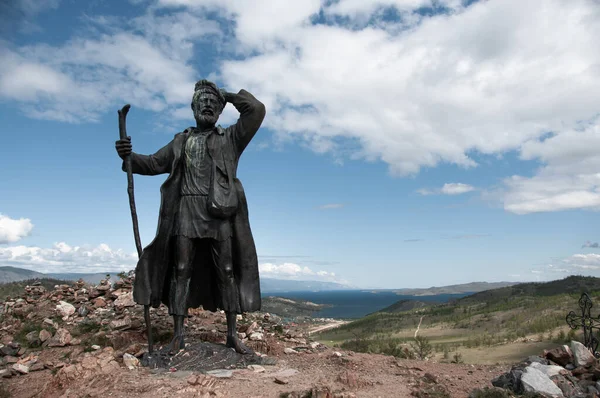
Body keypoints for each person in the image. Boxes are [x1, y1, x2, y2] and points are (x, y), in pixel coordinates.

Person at [115, 80, 266, 354]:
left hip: (219, 214)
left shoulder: (231, 138)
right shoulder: (180, 140)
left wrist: (228, 95)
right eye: (203, 101)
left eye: (214, 103)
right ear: (193, 106)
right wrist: (128, 157)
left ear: (221, 111)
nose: (208, 105)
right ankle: (178, 335)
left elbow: (256, 110)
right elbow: (152, 163)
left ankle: (232, 335)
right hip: (186, 210)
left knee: (228, 272)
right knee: (181, 271)